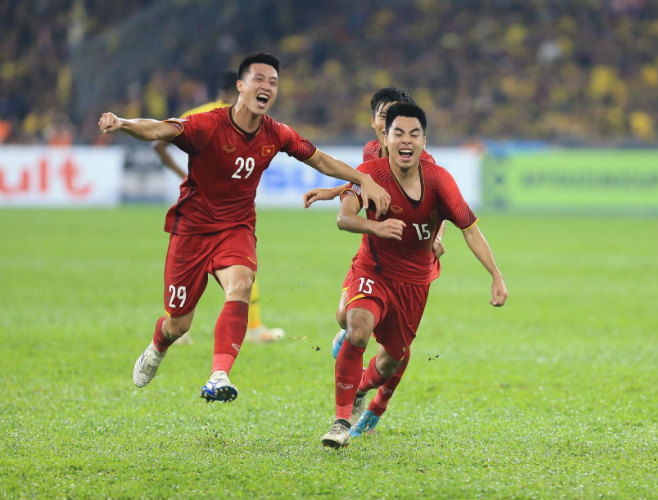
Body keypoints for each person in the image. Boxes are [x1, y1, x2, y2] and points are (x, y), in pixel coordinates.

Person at [98, 52, 391, 403]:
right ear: (240, 85)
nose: (267, 87)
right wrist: (124, 123)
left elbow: (320, 158)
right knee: (178, 324)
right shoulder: (208, 125)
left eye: (274, 83)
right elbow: (160, 128)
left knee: (241, 284)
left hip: (235, 228)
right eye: (260, 79)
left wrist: (362, 177)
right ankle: (158, 346)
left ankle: (219, 374)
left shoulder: (276, 133)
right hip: (191, 231)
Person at [321, 103, 507, 448]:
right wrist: (374, 226)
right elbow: (344, 218)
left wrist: (495, 274)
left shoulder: (439, 179)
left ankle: (362, 389)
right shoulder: (369, 172)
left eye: (414, 134)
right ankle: (341, 422)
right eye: (398, 133)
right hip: (373, 270)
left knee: (393, 358)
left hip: (413, 284)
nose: (406, 141)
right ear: (385, 138)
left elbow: (468, 227)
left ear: (424, 140)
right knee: (357, 326)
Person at [303, 88, 446, 436]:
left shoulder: (424, 162)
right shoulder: (371, 152)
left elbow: (439, 202)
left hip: (412, 266)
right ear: (375, 122)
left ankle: (372, 400)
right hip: (374, 257)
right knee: (347, 320)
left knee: (395, 350)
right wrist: (333, 192)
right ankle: (351, 397)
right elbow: (365, 181)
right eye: (384, 115)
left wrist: (438, 239)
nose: (389, 122)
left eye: (396, 116)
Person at [153, 69, 284, 344]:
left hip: (206, 208)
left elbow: (158, 145)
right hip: (221, 209)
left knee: (196, 267)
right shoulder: (239, 119)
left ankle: (174, 324)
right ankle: (253, 327)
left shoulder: (196, 113)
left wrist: (184, 175)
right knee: (243, 266)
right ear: (239, 89)